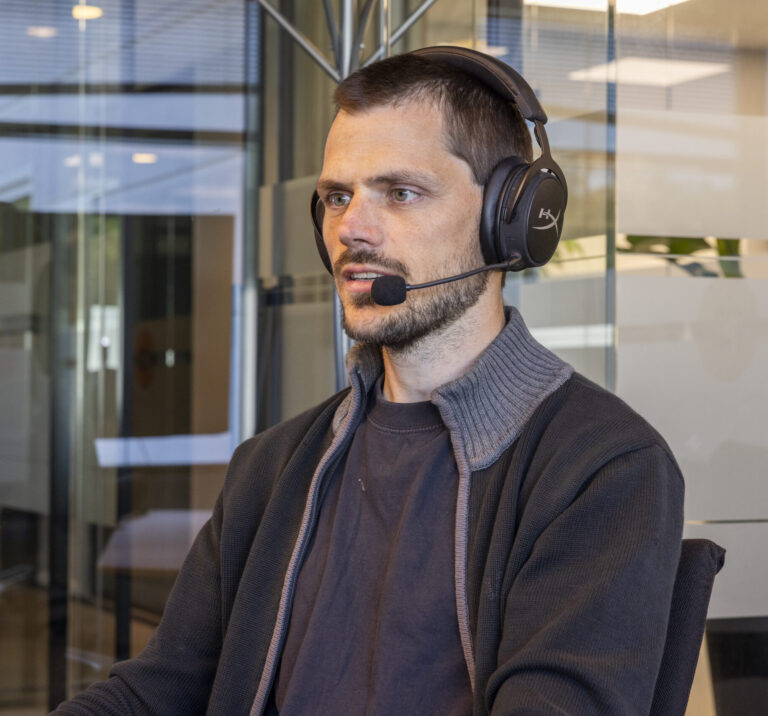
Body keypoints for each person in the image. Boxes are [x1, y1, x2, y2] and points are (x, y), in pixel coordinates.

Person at [53, 47, 684, 716]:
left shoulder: (604, 469)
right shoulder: (272, 468)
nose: (349, 228)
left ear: (513, 218)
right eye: (335, 197)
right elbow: (159, 691)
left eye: (401, 192)